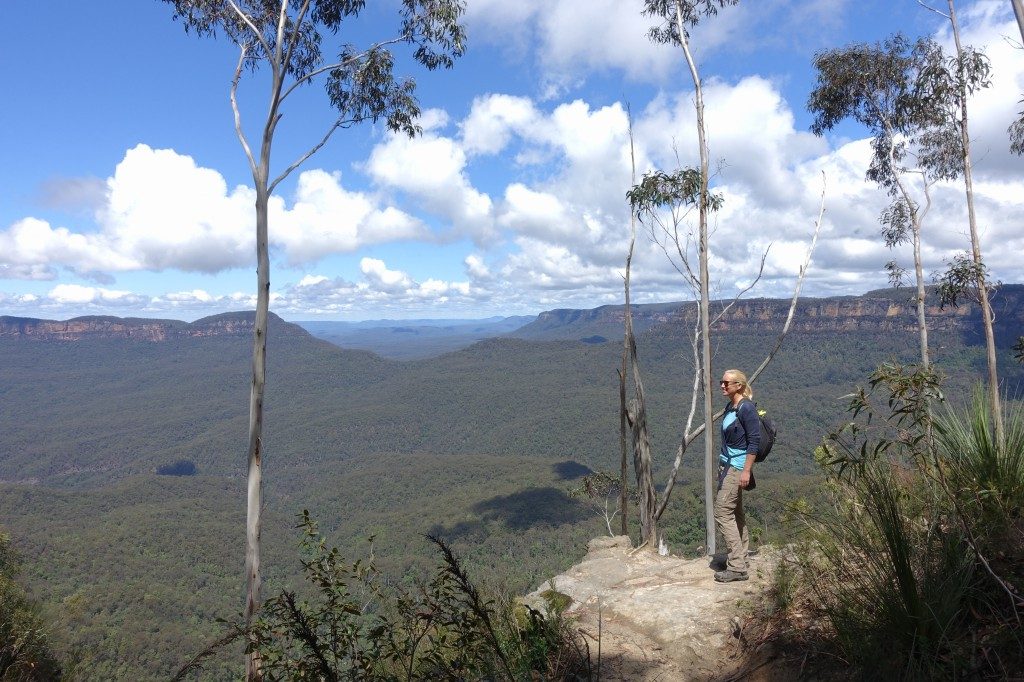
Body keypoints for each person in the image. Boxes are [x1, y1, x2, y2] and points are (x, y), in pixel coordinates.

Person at [713, 369, 760, 583]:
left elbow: (754, 442)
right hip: (728, 466)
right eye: (721, 382)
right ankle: (741, 558)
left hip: (738, 468)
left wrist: (746, 471)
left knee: (722, 512)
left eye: (726, 383)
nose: (722, 385)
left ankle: (737, 567)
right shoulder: (731, 406)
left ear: (739, 385)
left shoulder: (746, 408)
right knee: (736, 512)